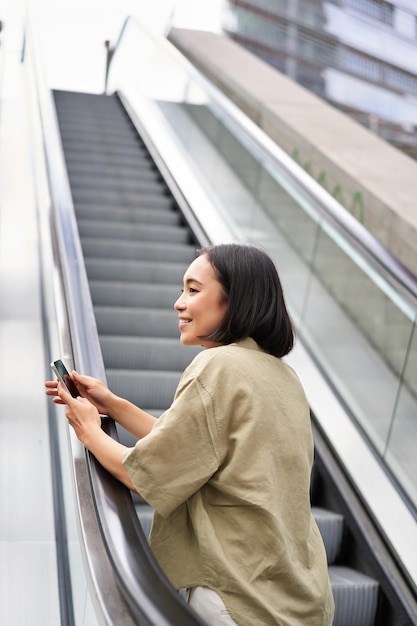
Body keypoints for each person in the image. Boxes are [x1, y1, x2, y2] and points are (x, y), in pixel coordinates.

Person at [46, 243, 334, 626]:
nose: (179, 303)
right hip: (300, 597)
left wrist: (87, 428)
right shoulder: (283, 376)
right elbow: (195, 447)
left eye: (193, 290)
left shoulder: (216, 366)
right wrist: (114, 405)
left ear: (235, 301)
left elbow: (145, 474)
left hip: (237, 597)